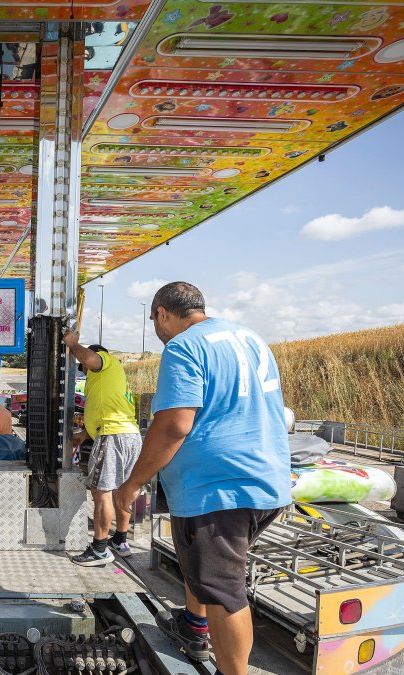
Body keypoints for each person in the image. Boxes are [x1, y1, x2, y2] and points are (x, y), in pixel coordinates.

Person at [113, 282, 291, 675]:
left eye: (153, 320)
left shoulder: (184, 346)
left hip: (219, 489)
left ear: (163, 313)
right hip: (266, 480)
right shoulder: (251, 339)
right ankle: (194, 626)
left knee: (224, 591)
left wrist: (132, 484)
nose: (157, 331)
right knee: (205, 566)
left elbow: (174, 425)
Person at [62, 332, 142, 566]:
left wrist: (72, 344)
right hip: (129, 435)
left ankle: (99, 549)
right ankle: (120, 540)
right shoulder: (112, 379)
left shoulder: (105, 362)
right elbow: (106, 409)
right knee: (122, 491)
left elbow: (90, 359)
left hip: (112, 436)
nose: (85, 372)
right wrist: (85, 434)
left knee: (101, 492)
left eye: (83, 369)